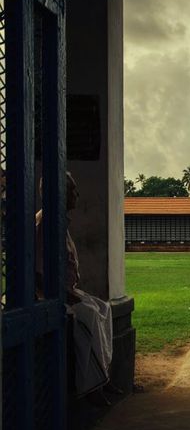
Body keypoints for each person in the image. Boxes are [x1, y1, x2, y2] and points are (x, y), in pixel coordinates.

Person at [36, 172, 118, 401]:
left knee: (104, 308)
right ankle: (91, 386)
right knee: (88, 317)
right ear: (61, 194)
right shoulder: (45, 224)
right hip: (52, 295)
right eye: (73, 191)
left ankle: (104, 375)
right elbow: (38, 271)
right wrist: (64, 294)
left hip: (67, 290)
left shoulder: (58, 223)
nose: (77, 195)